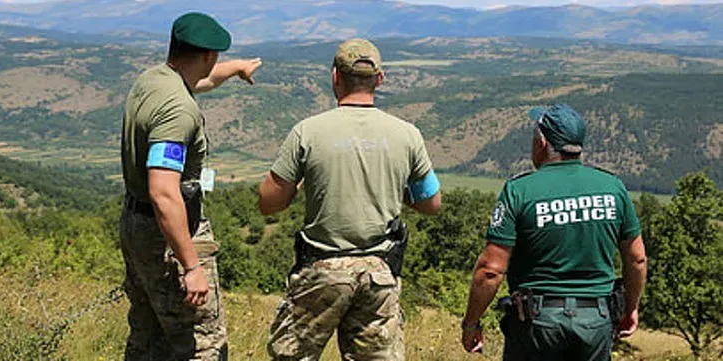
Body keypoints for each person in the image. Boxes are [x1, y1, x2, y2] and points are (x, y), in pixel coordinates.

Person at [258, 38, 442, 361]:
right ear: (379, 79)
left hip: (321, 269)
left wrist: (302, 184)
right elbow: (431, 203)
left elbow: (268, 202)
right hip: (379, 273)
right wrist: (394, 186)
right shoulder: (408, 135)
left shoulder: (307, 132)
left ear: (335, 77)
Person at [120, 12, 262, 361]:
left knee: (148, 336)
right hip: (169, 235)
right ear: (208, 55)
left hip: (136, 225)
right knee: (202, 343)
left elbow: (202, 80)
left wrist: (237, 68)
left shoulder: (153, 80)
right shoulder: (178, 111)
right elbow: (163, 192)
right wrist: (191, 267)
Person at [460, 103, 648, 361]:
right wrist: (631, 307)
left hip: (537, 324)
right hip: (596, 320)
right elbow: (637, 259)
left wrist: (471, 323)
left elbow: (490, 269)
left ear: (542, 142)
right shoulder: (613, 188)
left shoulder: (519, 190)